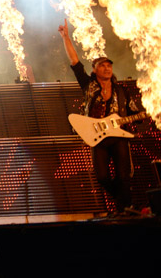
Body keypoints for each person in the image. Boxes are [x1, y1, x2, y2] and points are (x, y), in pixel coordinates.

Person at [58, 18, 141, 216]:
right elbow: (75, 62)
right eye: (102, 66)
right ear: (95, 70)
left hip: (119, 138)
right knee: (102, 177)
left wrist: (140, 118)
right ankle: (123, 203)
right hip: (98, 138)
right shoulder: (89, 85)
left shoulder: (121, 91)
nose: (107, 68)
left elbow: (134, 113)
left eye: (109, 65)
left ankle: (125, 209)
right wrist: (66, 37)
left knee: (123, 176)